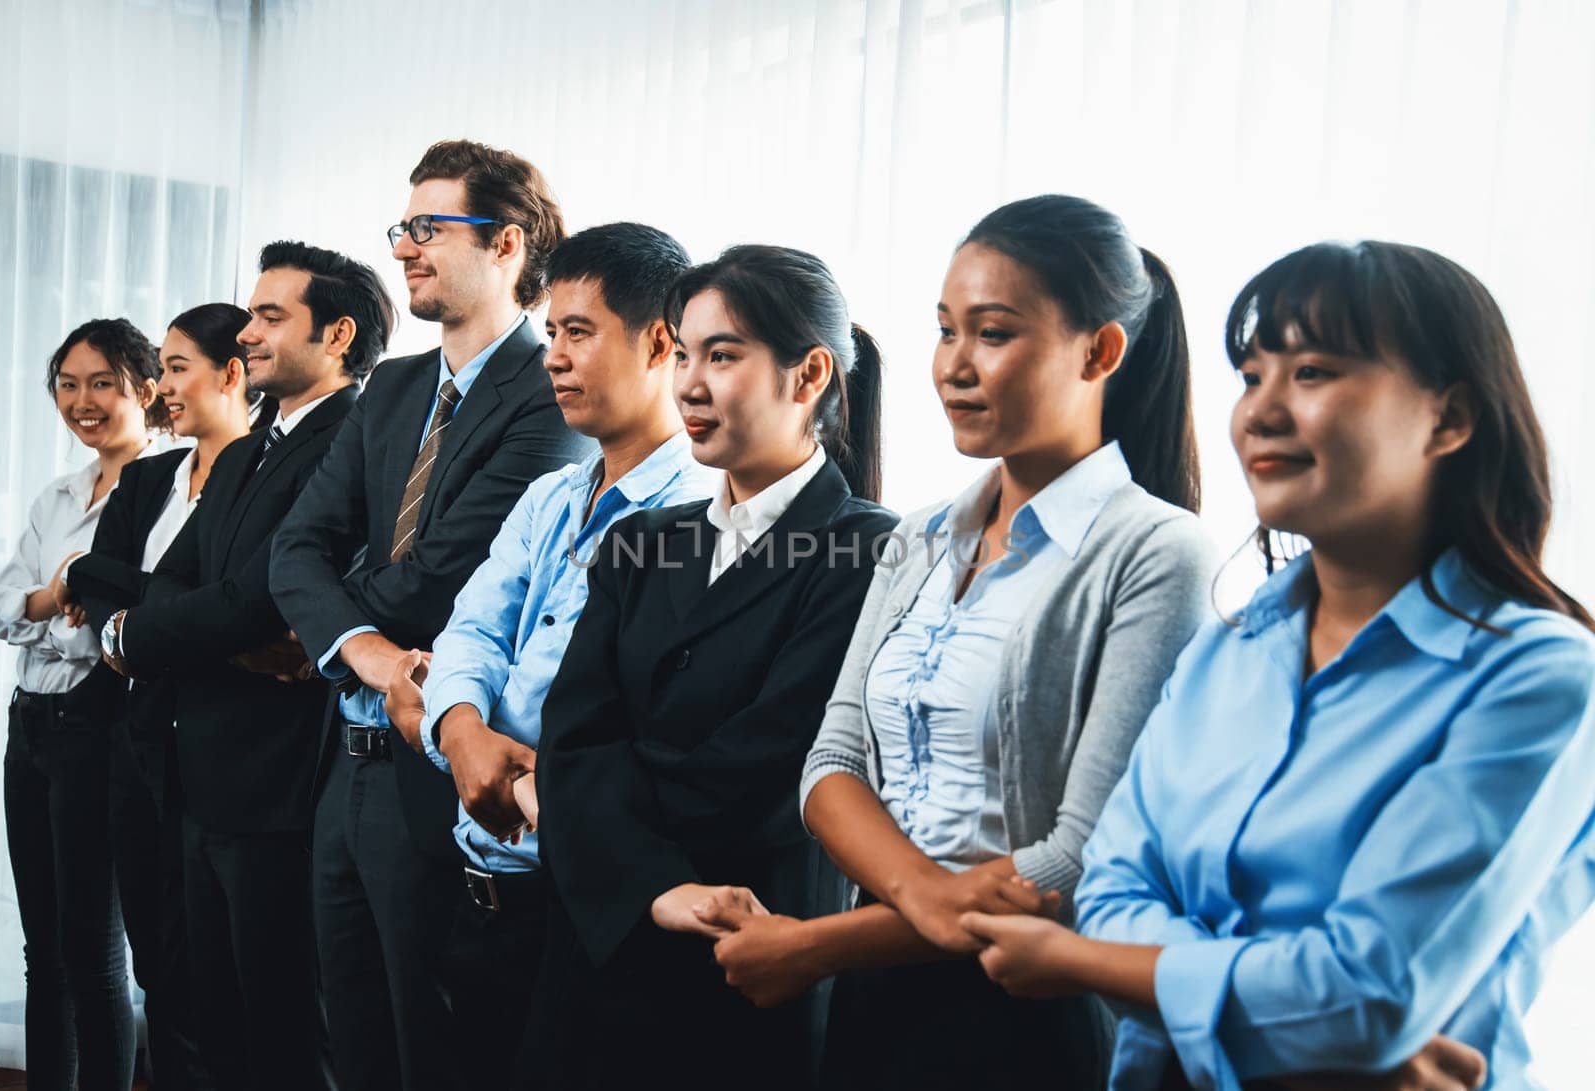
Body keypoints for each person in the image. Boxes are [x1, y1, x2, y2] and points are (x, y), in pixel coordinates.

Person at [961, 241, 1595, 1091]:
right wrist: (1296, 1021)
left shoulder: (1538, 676)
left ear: (1449, 419)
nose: (1260, 411)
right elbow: (1112, 889)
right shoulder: (1232, 647)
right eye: (1253, 375)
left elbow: (1367, 992)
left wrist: (1086, 961)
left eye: (1314, 372)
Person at [700, 196, 1214, 1091]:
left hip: (1028, 1017)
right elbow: (832, 762)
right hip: (876, 1002)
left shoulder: (1157, 553)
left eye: (994, 333)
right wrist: (924, 897)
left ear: (1099, 352)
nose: (955, 366)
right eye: (945, 331)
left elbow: (1074, 860)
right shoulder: (922, 535)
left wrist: (820, 944)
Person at [529, 243, 898, 1091]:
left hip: (743, 948)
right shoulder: (641, 542)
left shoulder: (869, 549)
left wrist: (618, 844)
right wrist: (651, 885)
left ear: (809, 375)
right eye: (684, 353)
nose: (690, 383)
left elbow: (772, 759)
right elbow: (574, 737)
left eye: (723, 355)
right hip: (596, 944)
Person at [268, 138, 593, 1091]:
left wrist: (328, 619)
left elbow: (446, 579)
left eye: (428, 227)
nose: (405, 247)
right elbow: (297, 545)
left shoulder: (555, 390)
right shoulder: (393, 387)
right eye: (402, 227)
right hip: (348, 764)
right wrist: (364, 650)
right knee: (353, 1036)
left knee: (432, 1050)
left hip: (438, 772)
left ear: (507, 245)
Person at [379, 221, 715, 1087]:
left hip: (583, 899)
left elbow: (580, 697)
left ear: (660, 344)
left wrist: (437, 716)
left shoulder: (699, 513)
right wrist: (459, 730)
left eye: (578, 332)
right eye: (551, 331)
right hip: (478, 879)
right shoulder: (552, 493)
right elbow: (473, 632)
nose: (553, 357)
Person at [99, 242, 394, 1091]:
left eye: (271, 316)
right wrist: (145, 624)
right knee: (209, 1020)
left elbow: (257, 599)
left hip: (281, 787)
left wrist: (129, 637)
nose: (249, 334)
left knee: (285, 1039)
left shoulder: (356, 439)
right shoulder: (250, 444)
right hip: (201, 779)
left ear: (335, 334)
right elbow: (187, 585)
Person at [60, 302, 255, 1091]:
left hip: (221, 752)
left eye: (175, 368)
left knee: (216, 978)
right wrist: (134, 619)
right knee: (155, 963)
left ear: (231, 372)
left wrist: (136, 604)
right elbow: (100, 588)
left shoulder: (259, 478)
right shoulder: (148, 478)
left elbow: (219, 601)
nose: (161, 386)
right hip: (133, 742)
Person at [0, 317, 163, 1090]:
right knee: (42, 951)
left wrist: (57, 617)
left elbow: (105, 635)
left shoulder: (161, 492)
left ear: (145, 386)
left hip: (94, 732)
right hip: (27, 726)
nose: (82, 400)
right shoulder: (57, 493)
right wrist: (54, 598)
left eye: (103, 382)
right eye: (68, 383)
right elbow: (5, 606)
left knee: (94, 951)